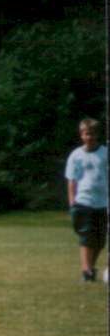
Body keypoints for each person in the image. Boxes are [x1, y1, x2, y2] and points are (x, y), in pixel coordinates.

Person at [65, 117, 107, 283]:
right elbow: (72, 181)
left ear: (98, 135)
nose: (90, 137)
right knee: (86, 236)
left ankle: (90, 268)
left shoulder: (105, 153)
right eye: (86, 134)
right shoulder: (76, 155)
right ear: (81, 135)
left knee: (99, 240)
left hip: (103, 203)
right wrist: (72, 202)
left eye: (93, 134)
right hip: (83, 202)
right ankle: (86, 271)